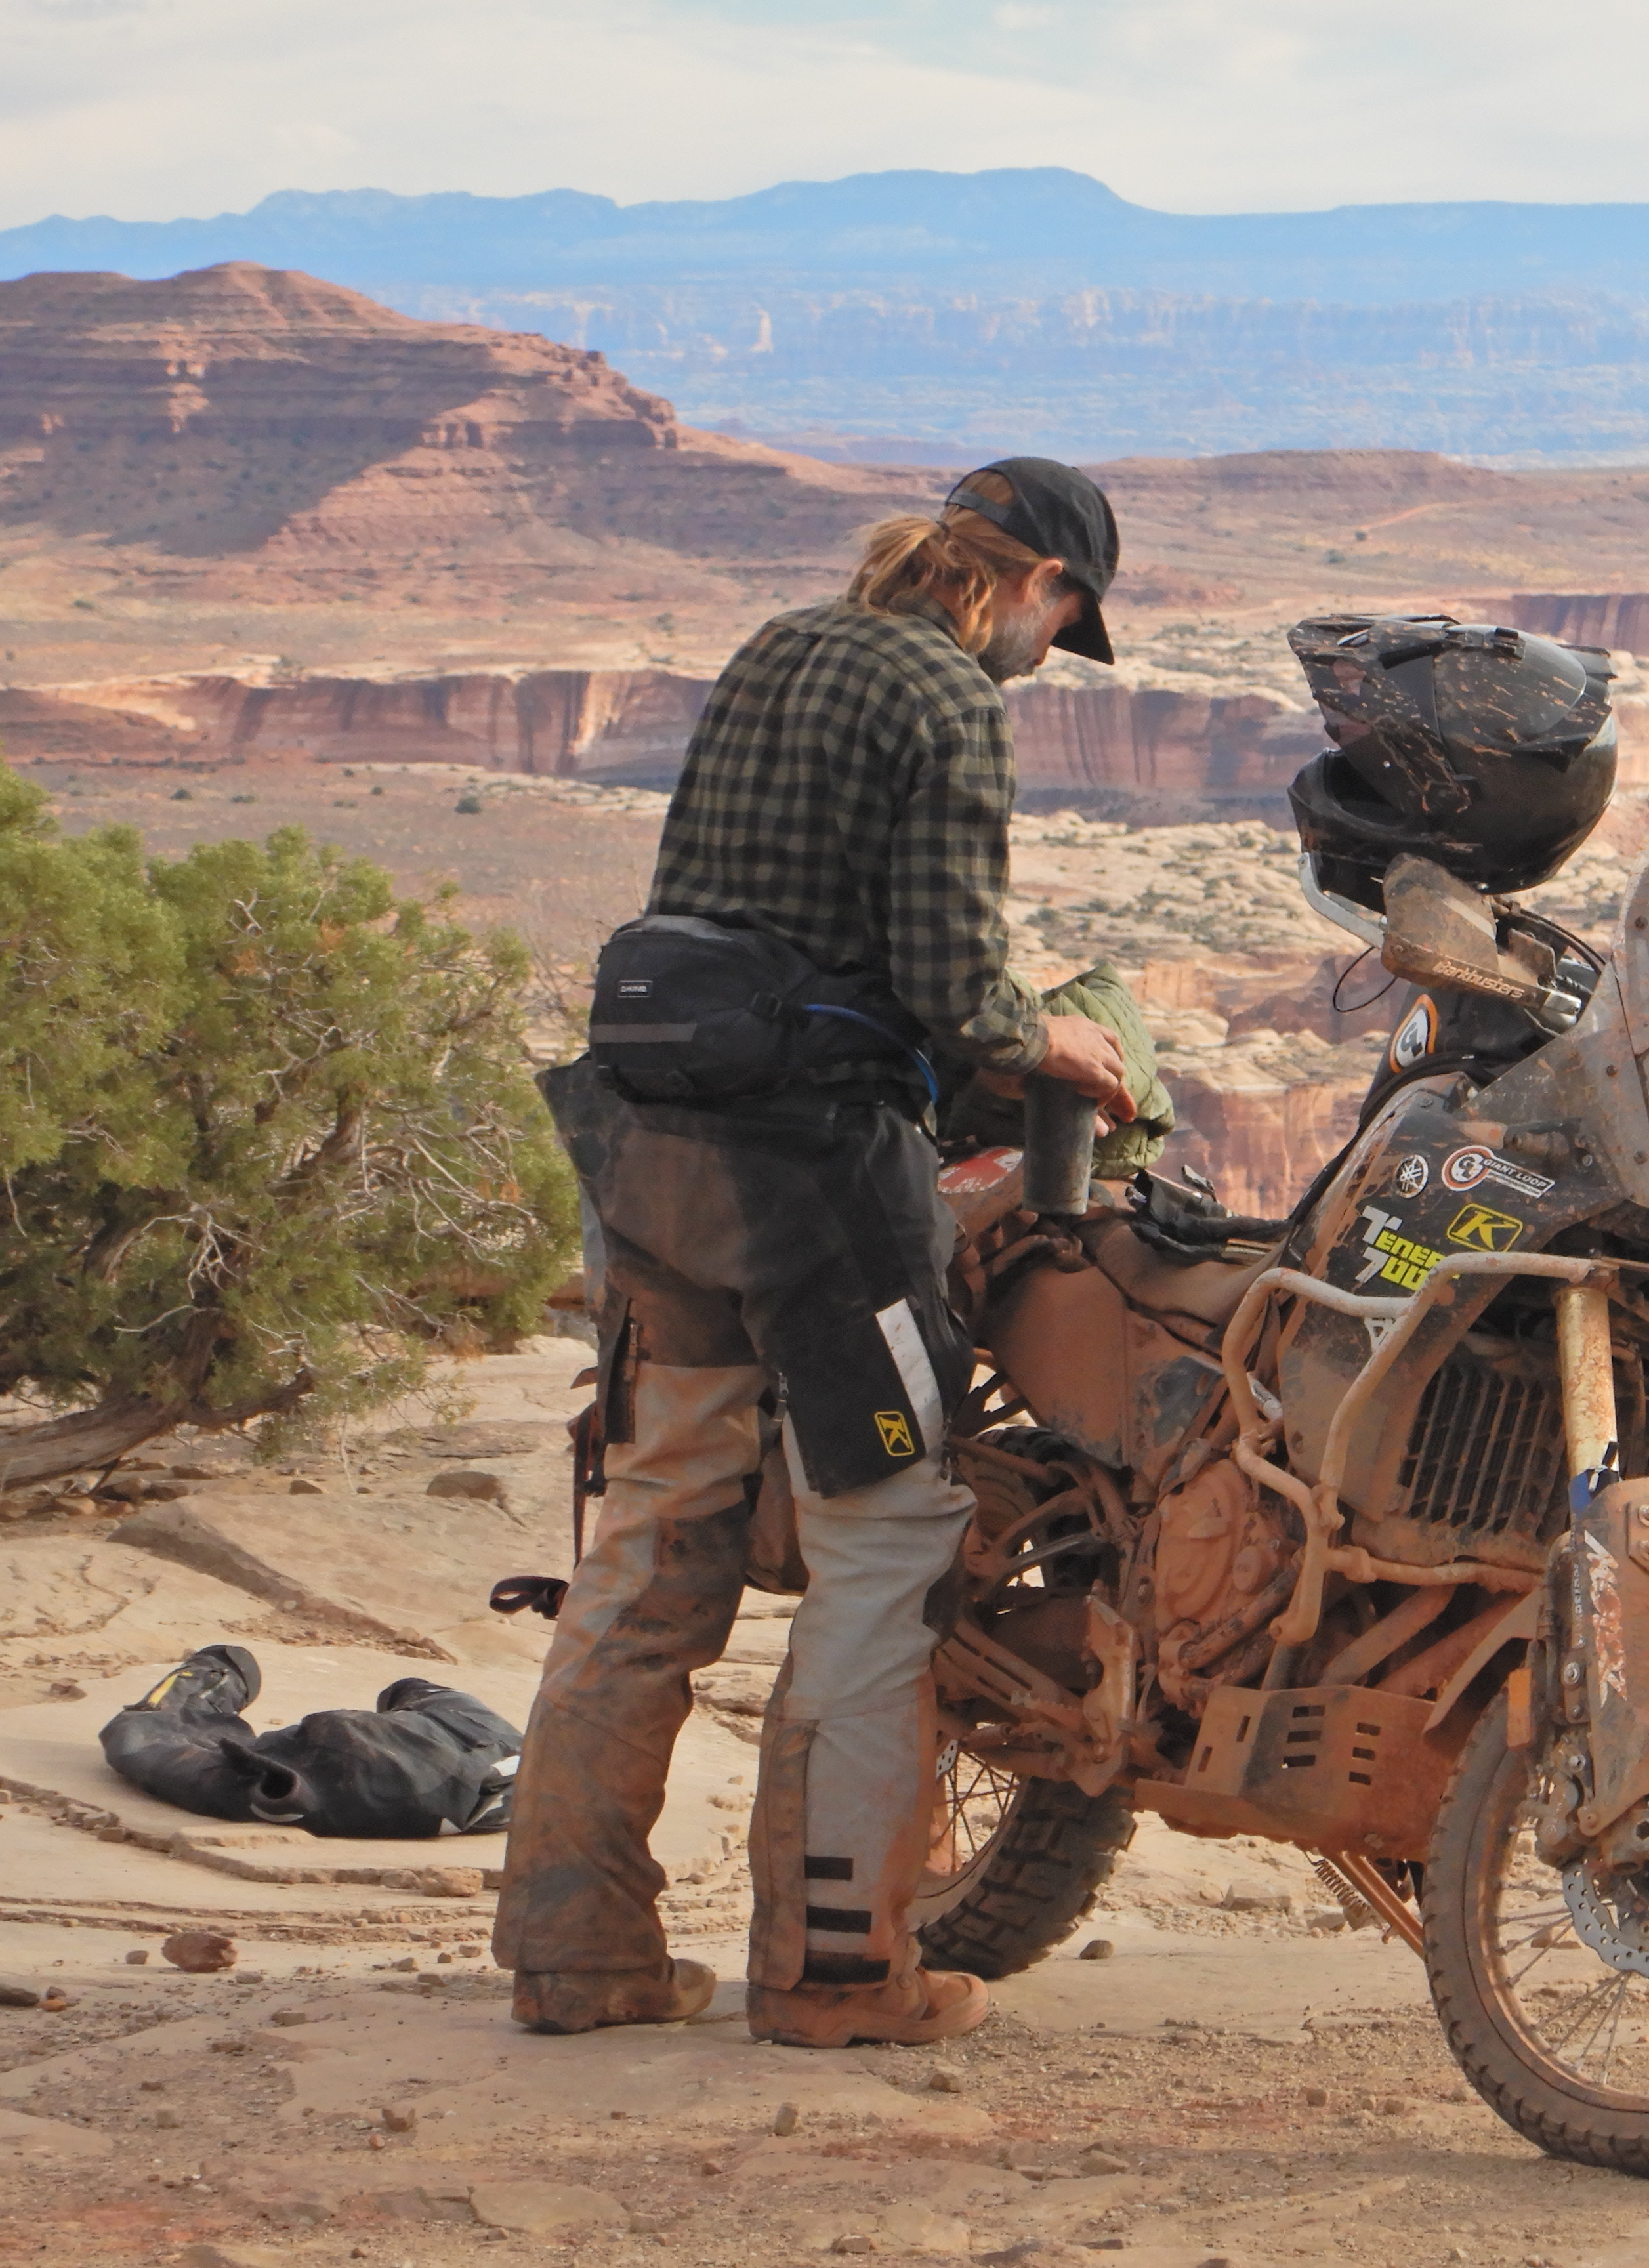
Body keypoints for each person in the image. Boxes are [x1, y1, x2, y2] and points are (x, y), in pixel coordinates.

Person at [491, 459, 1135, 2048]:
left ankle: (577, 1954)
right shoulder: (948, 701)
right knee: (887, 1537)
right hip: (814, 1185)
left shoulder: (780, 645)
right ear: (1037, 584)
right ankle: (840, 1971)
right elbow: (958, 990)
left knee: (650, 1542)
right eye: (1067, 619)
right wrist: (1063, 1038)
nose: (1054, 653)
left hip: (650, 1151)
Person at [100, 1644, 521, 1838]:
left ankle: (220, 1670)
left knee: (146, 1739)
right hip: (488, 1769)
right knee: (147, 1739)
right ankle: (218, 1672)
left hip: (477, 1751)